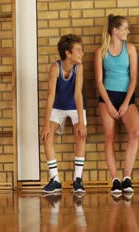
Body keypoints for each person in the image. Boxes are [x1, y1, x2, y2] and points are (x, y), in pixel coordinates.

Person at [95, 14, 139, 195]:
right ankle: (115, 180)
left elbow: (134, 78)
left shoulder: (130, 48)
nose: (128, 31)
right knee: (109, 137)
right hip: (107, 97)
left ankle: (127, 178)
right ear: (115, 30)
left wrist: (125, 103)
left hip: (126, 97)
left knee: (135, 133)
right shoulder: (101, 51)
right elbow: (99, 81)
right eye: (125, 28)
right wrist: (109, 105)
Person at [41, 34, 87, 194]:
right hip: (58, 106)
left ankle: (78, 180)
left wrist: (81, 122)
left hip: (75, 106)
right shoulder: (55, 68)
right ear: (68, 53)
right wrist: (46, 124)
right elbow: (51, 95)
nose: (82, 53)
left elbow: (78, 94)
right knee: (47, 136)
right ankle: (55, 180)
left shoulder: (78, 67)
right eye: (79, 50)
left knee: (81, 135)